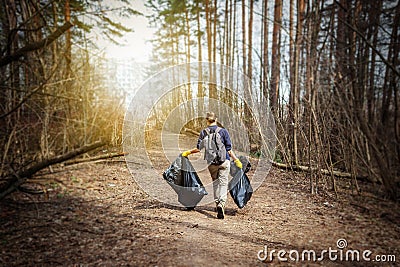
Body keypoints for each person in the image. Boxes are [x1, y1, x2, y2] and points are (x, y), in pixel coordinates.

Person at [181, 112, 242, 219]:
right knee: (223, 183)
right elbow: (228, 150)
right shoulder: (223, 132)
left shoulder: (204, 132)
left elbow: (198, 149)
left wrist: (187, 152)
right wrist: (236, 160)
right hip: (224, 162)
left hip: (211, 164)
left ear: (207, 120)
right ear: (216, 119)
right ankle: (221, 204)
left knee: (215, 183)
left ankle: (217, 202)